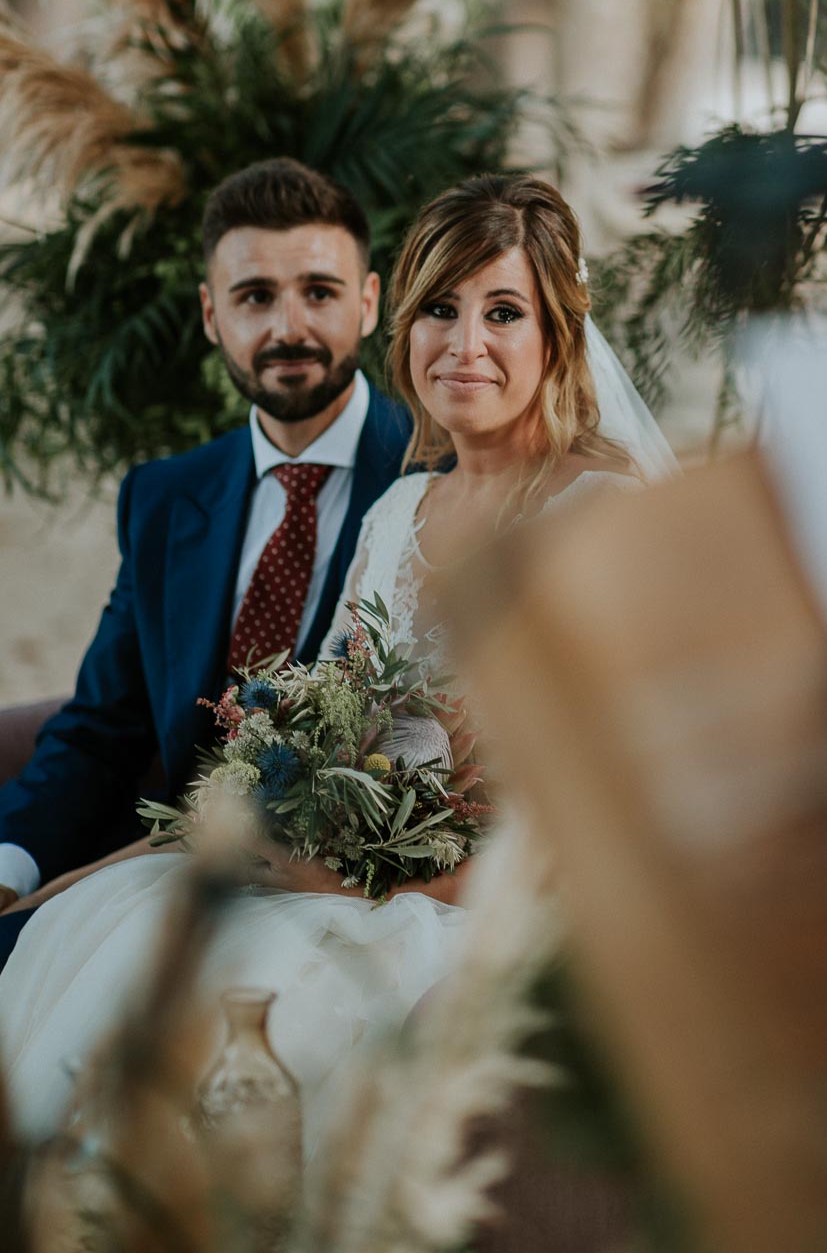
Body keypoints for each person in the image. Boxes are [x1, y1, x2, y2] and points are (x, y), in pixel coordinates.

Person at [0, 173, 675, 1148]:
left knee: (250, 999)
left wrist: (371, 888)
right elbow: (323, 717)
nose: (466, 342)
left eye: (504, 312)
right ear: (402, 323)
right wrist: (271, 822)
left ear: (557, 335)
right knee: (101, 936)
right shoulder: (397, 511)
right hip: (327, 874)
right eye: (441, 307)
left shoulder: (600, 519)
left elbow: (598, 813)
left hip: (458, 904)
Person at [0, 157, 412, 966]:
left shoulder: (435, 478)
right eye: (255, 296)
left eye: (319, 292)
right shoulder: (164, 497)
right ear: (210, 314)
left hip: (343, 894)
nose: (287, 327)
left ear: (367, 303)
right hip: (153, 872)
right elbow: (100, 729)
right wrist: (11, 867)